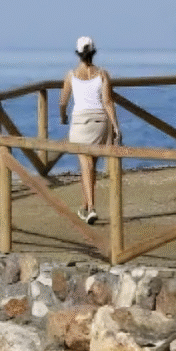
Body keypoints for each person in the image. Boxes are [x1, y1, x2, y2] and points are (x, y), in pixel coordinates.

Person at [58, 36, 122, 224]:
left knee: (85, 164)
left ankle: (92, 208)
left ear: (78, 54)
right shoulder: (103, 74)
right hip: (100, 121)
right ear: (94, 52)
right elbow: (108, 102)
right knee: (90, 165)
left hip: (80, 123)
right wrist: (116, 126)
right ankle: (85, 207)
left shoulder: (71, 75)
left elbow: (63, 102)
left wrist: (63, 117)